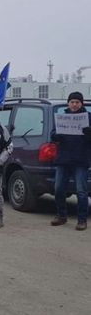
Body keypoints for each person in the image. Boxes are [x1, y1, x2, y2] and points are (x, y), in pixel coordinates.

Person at [50, 91, 91, 231]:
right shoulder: (62, 117)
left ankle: (82, 220)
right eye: (72, 102)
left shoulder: (88, 118)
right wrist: (57, 136)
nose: (74, 104)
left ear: (81, 104)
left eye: (77, 102)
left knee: (81, 192)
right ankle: (61, 215)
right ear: (68, 103)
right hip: (63, 160)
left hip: (81, 160)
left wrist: (88, 133)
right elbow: (52, 135)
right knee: (58, 189)